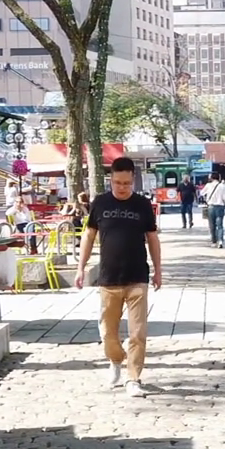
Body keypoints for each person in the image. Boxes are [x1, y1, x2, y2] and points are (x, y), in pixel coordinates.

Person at [76, 156, 164, 397]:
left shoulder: (142, 205)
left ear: (133, 180)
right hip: (109, 278)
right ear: (111, 180)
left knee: (138, 333)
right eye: (117, 183)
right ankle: (115, 359)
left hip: (137, 277)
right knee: (107, 331)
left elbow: (152, 238)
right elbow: (89, 235)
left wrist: (158, 270)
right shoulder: (100, 203)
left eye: (126, 183)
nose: (122, 187)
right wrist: (81, 267)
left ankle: (133, 378)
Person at [201, 176, 225, 247]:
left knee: (212, 225)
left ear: (211, 178)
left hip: (211, 207)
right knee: (220, 225)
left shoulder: (208, 185)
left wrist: (207, 197)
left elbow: (202, 193)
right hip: (220, 207)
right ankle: (220, 241)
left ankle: (214, 241)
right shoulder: (222, 186)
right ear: (218, 178)